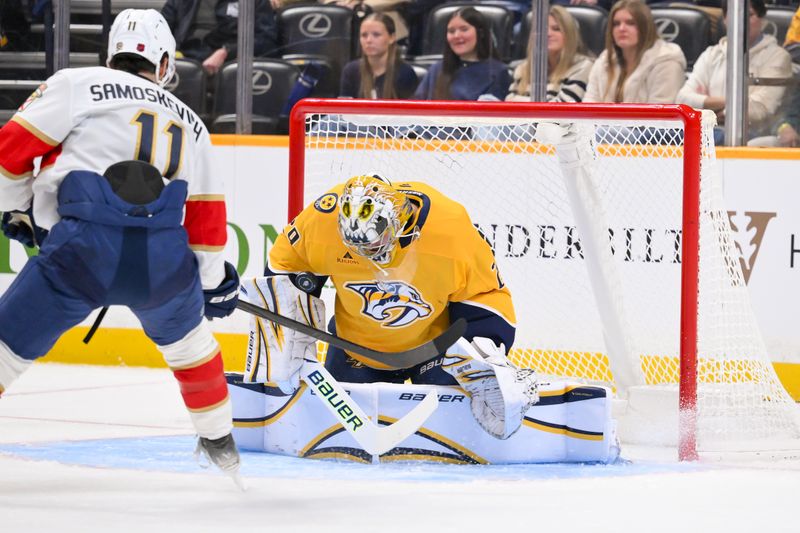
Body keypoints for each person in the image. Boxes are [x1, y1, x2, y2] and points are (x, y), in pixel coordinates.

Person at [0, 9, 241, 476]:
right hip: (163, 266)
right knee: (194, 351)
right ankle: (223, 451)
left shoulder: (77, 83)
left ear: (112, 53)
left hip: (80, 254)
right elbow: (207, 219)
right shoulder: (192, 121)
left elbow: (11, 149)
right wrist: (211, 283)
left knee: (6, 349)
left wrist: (16, 209)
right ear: (165, 62)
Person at [241, 174, 539, 440]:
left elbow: (486, 296)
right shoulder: (322, 220)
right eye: (356, 248)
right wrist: (286, 343)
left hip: (435, 351)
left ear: (399, 223)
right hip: (355, 347)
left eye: (372, 245)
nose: (364, 255)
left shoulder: (450, 229)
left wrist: (482, 353)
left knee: (460, 425)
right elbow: (285, 267)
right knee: (336, 438)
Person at [677, 0, 791, 145]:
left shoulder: (777, 57)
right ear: (724, 20)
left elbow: (760, 109)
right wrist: (724, 107)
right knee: (665, 135)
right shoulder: (711, 54)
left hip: (755, 133)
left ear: (762, 19)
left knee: (708, 137)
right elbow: (682, 99)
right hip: (709, 128)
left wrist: (708, 105)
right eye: (732, 14)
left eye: (749, 15)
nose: (741, 21)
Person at [583, 0, 686, 104]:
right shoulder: (604, 59)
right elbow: (589, 104)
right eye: (616, 24)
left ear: (645, 27)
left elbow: (660, 115)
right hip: (603, 120)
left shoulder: (666, 61)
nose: (622, 28)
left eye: (630, 23)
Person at [414, 7, 511, 101]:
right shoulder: (436, 69)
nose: (456, 36)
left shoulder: (498, 72)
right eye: (451, 31)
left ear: (480, 33)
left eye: (464, 29)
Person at [160, 0, 279, 76]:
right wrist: (170, 52)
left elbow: (267, 40)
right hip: (184, 59)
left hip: (229, 63)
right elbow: (159, 30)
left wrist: (227, 51)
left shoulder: (254, 2)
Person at [506, 5, 593, 103]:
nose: (547, 34)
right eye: (541, 29)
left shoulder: (583, 67)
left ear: (569, 35)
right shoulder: (523, 68)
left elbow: (562, 108)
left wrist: (520, 101)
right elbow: (509, 102)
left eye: (556, 29)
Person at [339, 13, 418, 99]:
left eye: (376, 35)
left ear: (392, 38)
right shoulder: (351, 71)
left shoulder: (405, 72)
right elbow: (344, 110)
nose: (369, 40)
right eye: (364, 35)